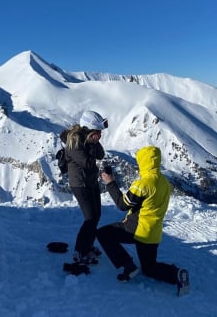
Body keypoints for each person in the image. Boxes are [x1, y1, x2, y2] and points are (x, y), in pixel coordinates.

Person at [97, 145, 190, 296]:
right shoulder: (164, 182)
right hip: (153, 233)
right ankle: (176, 274)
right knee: (149, 268)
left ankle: (128, 265)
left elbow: (122, 204)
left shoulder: (143, 184)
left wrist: (110, 183)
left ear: (144, 162)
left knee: (103, 234)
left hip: (136, 230)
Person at [62, 110, 108, 265]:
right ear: (89, 129)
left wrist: (94, 142)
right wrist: (92, 143)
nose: (100, 135)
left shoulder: (89, 140)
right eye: (97, 132)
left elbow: (100, 155)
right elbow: (87, 163)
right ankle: (80, 251)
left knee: (97, 215)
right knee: (90, 218)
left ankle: (87, 247)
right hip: (80, 184)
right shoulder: (74, 141)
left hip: (91, 181)